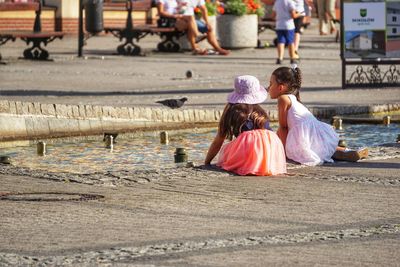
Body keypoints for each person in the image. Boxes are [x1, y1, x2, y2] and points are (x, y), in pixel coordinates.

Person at [267, 65, 369, 166]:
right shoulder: (292, 98)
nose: (268, 88)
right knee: (325, 150)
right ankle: (347, 152)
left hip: (305, 137)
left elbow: (283, 128)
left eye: (270, 84)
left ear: (280, 87)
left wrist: (284, 153)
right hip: (314, 134)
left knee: (310, 152)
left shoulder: (283, 99)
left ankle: (345, 153)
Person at [205, 75, 287, 176]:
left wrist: (207, 162)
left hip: (249, 147)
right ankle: (265, 166)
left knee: (227, 155)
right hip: (271, 146)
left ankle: (250, 165)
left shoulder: (231, 109)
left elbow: (219, 140)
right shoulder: (259, 110)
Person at [156, 0, 229, 55]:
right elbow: (161, 12)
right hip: (172, 20)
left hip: (187, 19)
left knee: (208, 28)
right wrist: (176, 15)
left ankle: (218, 49)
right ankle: (196, 42)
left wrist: (207, 22)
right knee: (190, 20)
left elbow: (203, 9)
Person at [272, 0, 301, 64]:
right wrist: (299, 14)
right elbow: (293, 15)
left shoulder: (277, 2)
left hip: (279, 25)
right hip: (289, 25)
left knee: (280, 42)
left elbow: (273, 15)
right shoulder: (290, 2)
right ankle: (292, 58)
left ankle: (280, 58)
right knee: (290, 42)